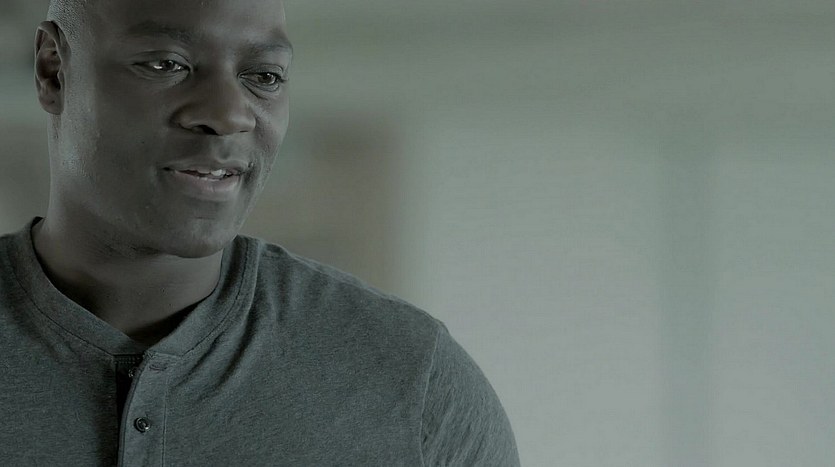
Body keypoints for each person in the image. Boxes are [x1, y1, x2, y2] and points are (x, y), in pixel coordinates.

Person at [0, 0, 520, 465]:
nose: (228, 115)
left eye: (264, 76)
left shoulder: (412, 380)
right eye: (165, 65)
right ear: (54, 70)